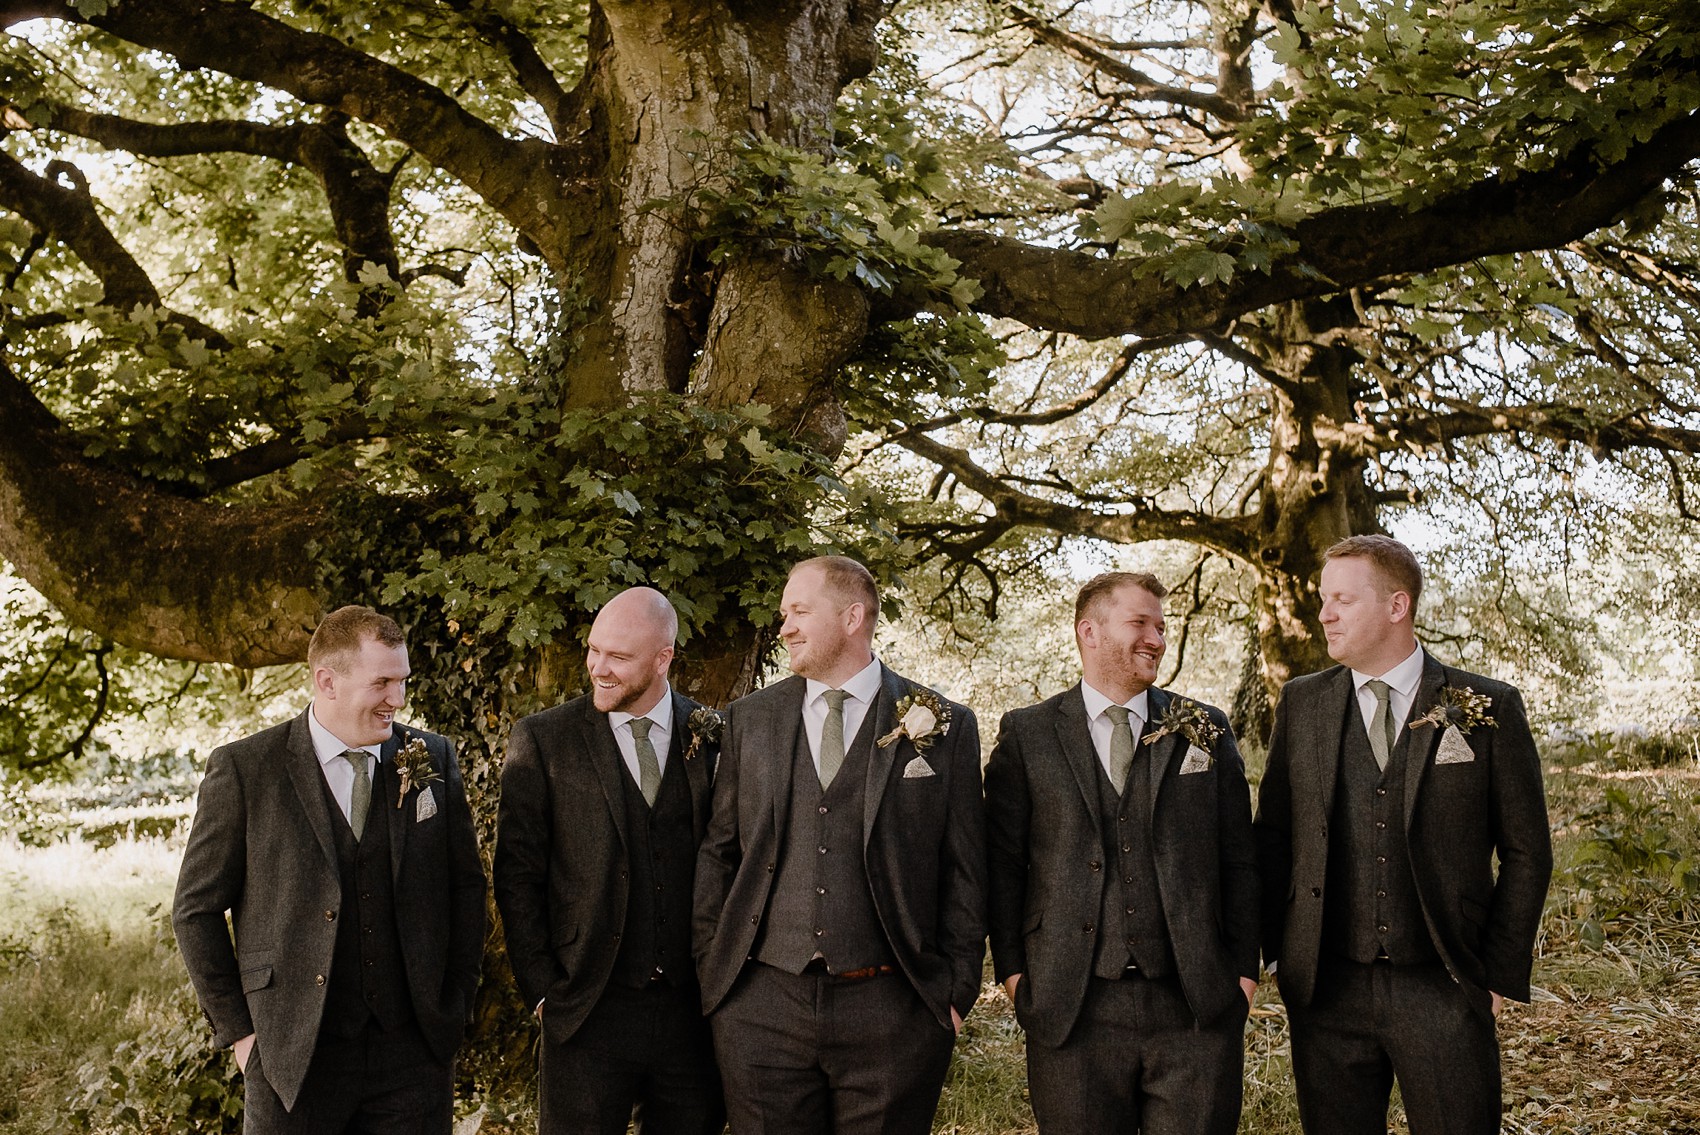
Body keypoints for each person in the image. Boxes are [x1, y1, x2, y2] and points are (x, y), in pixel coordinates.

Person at [1254, 534, 1553, 1135]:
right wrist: (1265, 955)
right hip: (1326, 990)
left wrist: (1495, 975)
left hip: (1444, 984)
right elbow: (1274, 838)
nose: (1324, 614)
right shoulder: (1302, 703)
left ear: (1397, 607)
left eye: (1342, 599)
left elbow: (1527, 851)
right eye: (1322, 599)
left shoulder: (1485, 705)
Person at [692, 555, 986, 1135]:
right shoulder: (750, 718)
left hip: (894, 1008)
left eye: (799, 610)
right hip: (761, 1005)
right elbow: (718, 852)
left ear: (853, 617)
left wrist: (953, 991)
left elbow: (966, 868)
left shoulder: (943, 723)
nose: (784, 628)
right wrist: (716, 976)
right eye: (783, 614)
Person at [173, 605, 485, 1134]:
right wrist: (243, 1036)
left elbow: (466, 887)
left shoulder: (431, 756)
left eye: (403, 681)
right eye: (382, 682)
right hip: (292, 1057)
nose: (399, 699)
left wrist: (452, 1004)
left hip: (413, 1057)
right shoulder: (246, 770)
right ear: (327, 681)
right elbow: (195, 910)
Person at [984, 571, 1259, 1135]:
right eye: (1140, 623)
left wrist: (1242, 977)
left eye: (1161, 626)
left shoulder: (1204, 729)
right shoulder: (1028, 735)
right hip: (1071, 1005)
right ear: (1089, 631)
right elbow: (1003, 867)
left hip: (1196, 1003)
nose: (1157, 638)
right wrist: (1014, 975)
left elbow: (1241, 859)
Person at [493, 586, 726, 1135]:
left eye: (618, 657)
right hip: (586, 1008)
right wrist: (546, 991)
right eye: (594, 649)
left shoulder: (715, 735)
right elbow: (517, 875)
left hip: (692, 1015)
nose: (598, 667)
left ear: (663, 657)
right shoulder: (543, 740)